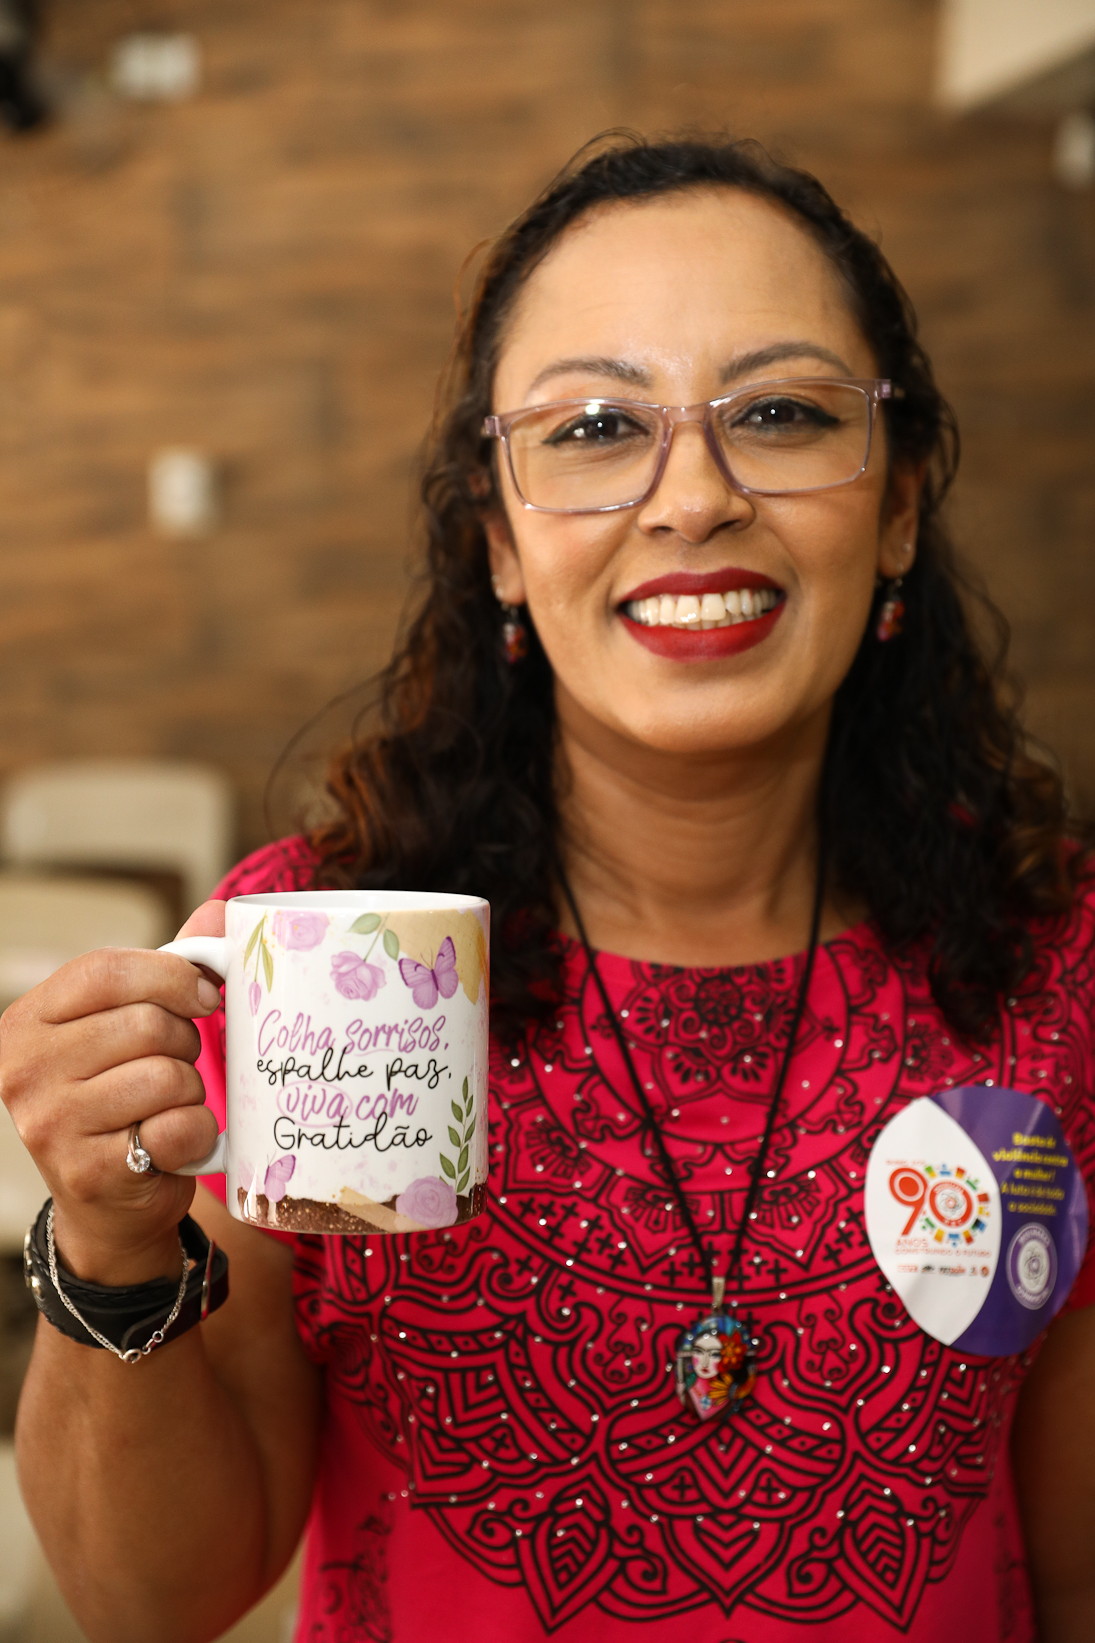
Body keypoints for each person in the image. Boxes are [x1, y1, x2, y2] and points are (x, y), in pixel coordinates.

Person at [2, 134, 1094, 1643]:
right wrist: (112, 1246)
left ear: (899, 505)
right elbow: (155, 1604)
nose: (693, 498)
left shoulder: (1054, 961)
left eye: (780, 413)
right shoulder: (316, 959)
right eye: (593, 427)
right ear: (499, 541)